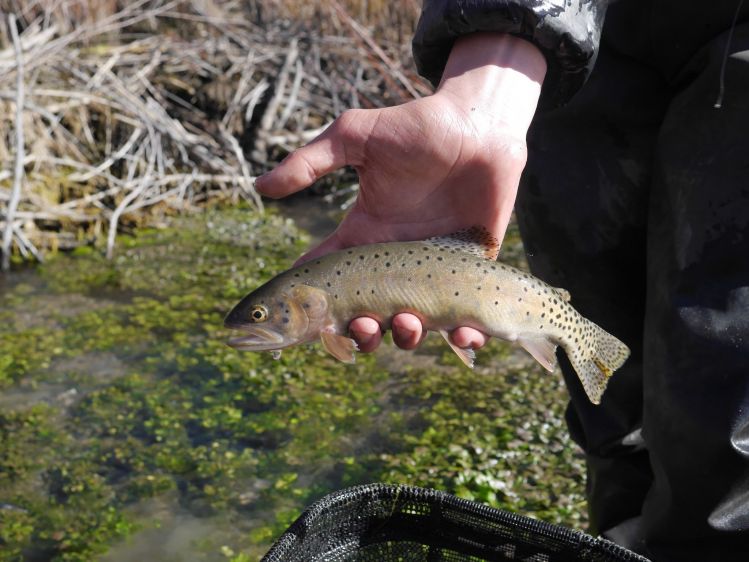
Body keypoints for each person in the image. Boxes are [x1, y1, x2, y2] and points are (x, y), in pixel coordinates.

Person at [255, 1, 749, 560]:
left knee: (718, 374)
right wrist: (493, 75)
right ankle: (620, 538)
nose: (263, 323)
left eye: (264, 315)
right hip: (574, 52)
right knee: (612, 407)